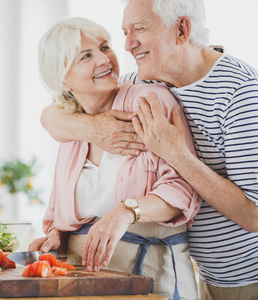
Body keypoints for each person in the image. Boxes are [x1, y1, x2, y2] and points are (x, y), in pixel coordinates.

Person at [40, 1, 258, 299]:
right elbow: (50, 117)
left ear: (182, 30)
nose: (127, 45)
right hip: (202, 267)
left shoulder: (241, 93)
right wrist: (94, 128)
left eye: (139, 29)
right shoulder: (142, 80)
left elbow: (255, 215)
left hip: (246, 273)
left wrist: (177, 155)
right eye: (124, 33)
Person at [29, 17, 201, 300]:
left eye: (105, 47)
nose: (104, 59)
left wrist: (126, 211)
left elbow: (183, 188)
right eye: (86, 56)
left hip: (153, 279)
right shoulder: (71, 129)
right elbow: (56, 214)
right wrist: (55, 238)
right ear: (64, 79)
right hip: (87, 284)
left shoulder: (148, 100)